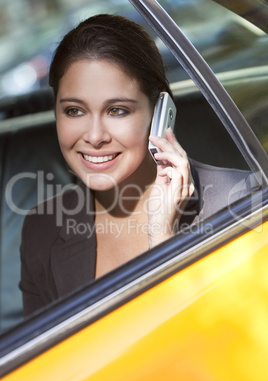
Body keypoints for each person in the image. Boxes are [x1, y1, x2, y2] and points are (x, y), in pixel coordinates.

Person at [19, 14, 257, 316]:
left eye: (117, 110)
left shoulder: (238, 199)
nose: (94, 136)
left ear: (160, 113)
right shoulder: (42, 229)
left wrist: (164, 243)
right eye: (75, 111)